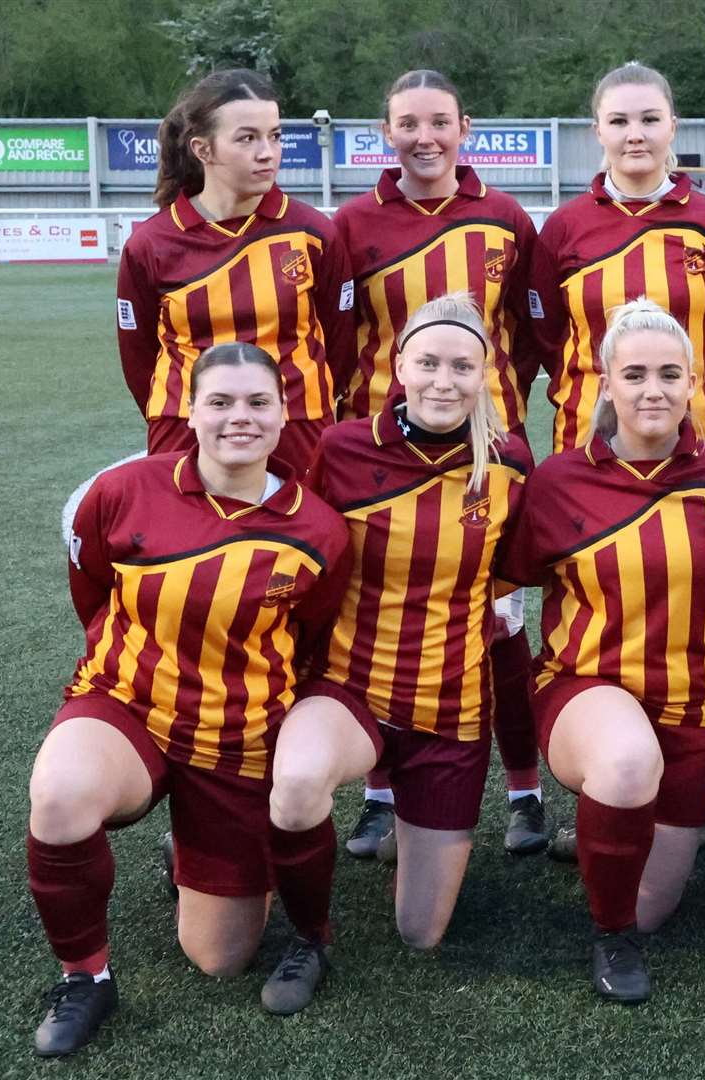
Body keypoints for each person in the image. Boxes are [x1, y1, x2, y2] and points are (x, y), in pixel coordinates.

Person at [28, 344, 350, 1056]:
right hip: (127, 705)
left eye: (257, 403)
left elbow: (312, 636)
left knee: (219, 959)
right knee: (59, 793)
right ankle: (86, 978)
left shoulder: (319, 529)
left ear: (282, 413)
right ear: (190, 412)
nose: (240, 417)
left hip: (235, 735)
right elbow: (92, 590)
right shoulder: (123, 491)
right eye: (221, 402)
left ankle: (194, 855)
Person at [250, 294, 535, 1015]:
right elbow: (301, 554)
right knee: (299, 780)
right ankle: (306, 932)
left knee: (421, 934)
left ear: (485, 374)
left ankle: (398, 837)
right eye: (429, 362)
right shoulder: (344, 447)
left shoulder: (508, 462)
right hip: (351, 687)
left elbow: (514, 574)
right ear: (399, 364)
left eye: (462, 366)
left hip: (452, 708)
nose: (444, 379)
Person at [501, 299, 705, 1003]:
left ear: (693, 385)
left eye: (669, 374)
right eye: (635, 374)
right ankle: (608, 939)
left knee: (653, 905)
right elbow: (496, 576)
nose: (653, 389)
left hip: (696, 703)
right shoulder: (558, 481)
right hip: (585, 690)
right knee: (622, 766)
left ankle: (603, 844)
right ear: (606, 385)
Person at [331, 68, 549, 861]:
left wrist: (497, 412)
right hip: (383, 461)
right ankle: (382, 796)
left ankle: (524, 792)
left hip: (487, 463)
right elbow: (335, 341)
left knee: (497, 624)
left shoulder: (504, 218)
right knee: (378, 620)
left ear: (467, 129)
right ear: (384, 133)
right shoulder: (352, 225)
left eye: (439, 122)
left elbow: (528, 332)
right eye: (407, 123)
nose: (424, 137)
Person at [117, 69, 354, 478]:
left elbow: (340, 343)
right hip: (185, 428)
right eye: (247, 138)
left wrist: (291, 400)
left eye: (275, 136)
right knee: (190, 542)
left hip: (297, 425)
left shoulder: (313, 233)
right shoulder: (150, 245)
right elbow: (139, 359)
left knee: (294, 541)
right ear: (202, 149)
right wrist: (193, 410)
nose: (268, 152)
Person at [529, 60, 705, 455]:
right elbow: (547, 337)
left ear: (672, 126)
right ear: (598, 131)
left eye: (650, 119)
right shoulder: (563, 227)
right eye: (618, 122)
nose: (635, 135)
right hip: (585, 439)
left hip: (699, 437)